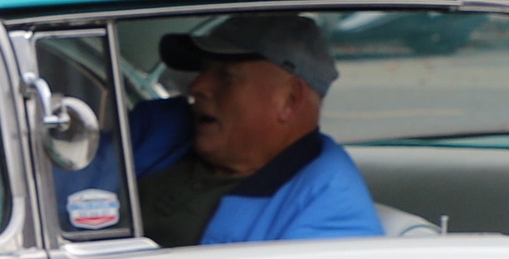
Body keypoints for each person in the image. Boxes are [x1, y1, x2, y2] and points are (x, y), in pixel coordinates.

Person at [77, 13, 385, 246]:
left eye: (226, 76)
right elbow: (63, 185)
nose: (198, 86)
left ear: (289, 100)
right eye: (202, 70)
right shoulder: (161, 127)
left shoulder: (329, 209)